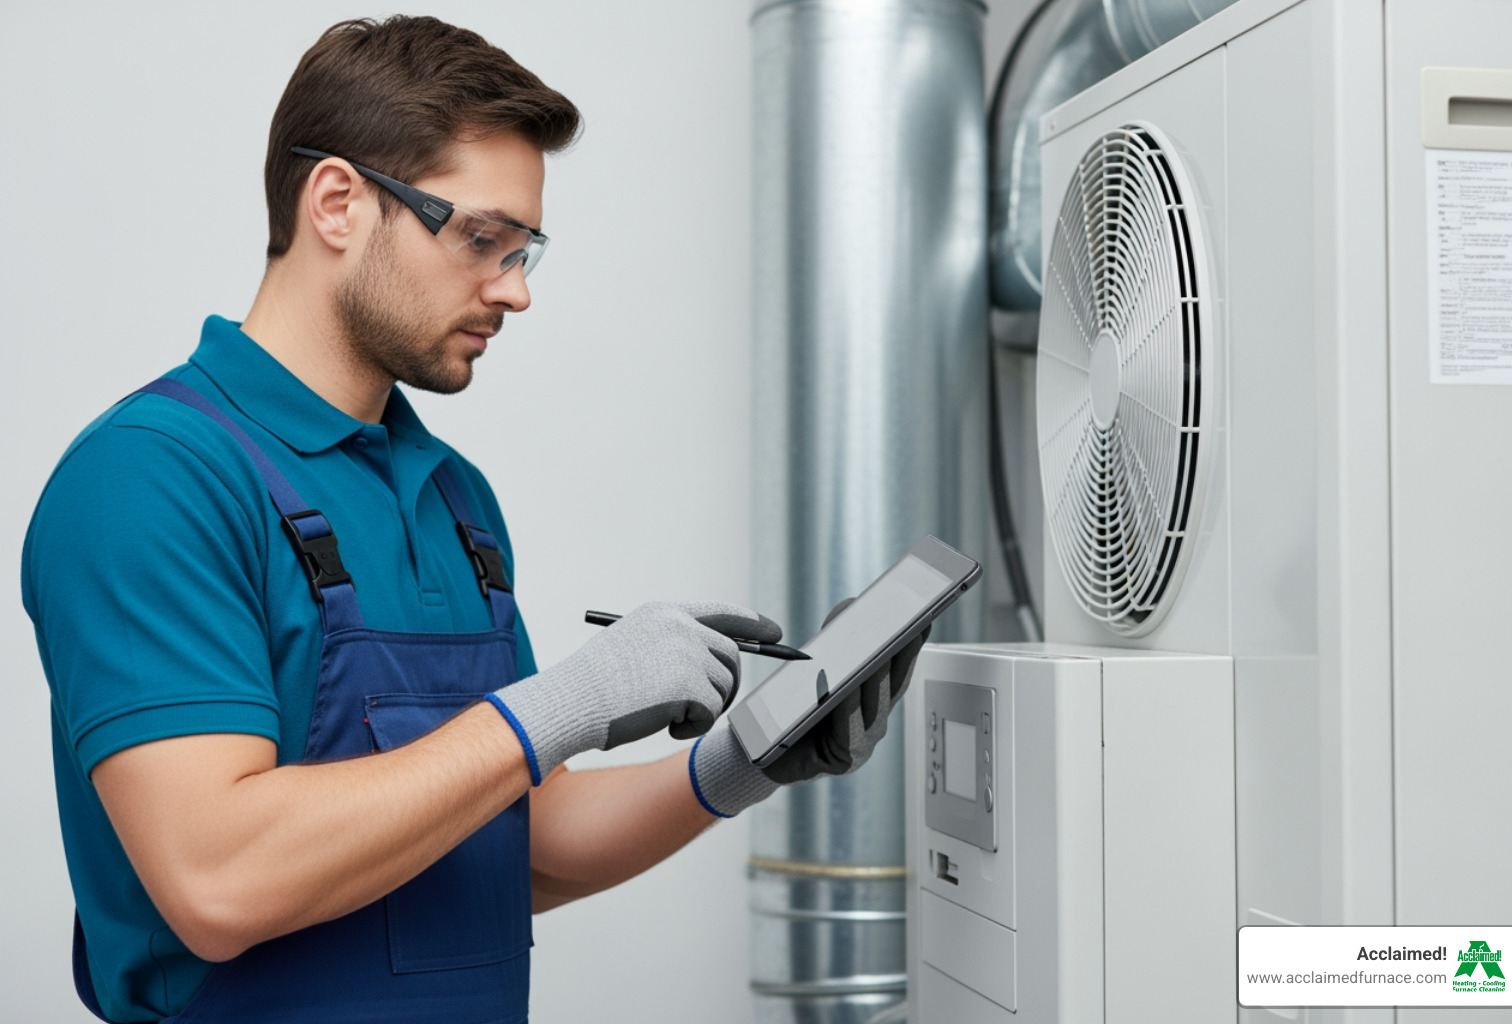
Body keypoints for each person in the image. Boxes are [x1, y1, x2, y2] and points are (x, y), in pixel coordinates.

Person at [20, 15, 924, 1024]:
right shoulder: (152, 478)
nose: (514, 290)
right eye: (483, 238)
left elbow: (506, 835)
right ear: (337, 203)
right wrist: (565, 702)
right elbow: (220, 879)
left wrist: (734, 764)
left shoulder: (456, 500)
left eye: (525, 248)